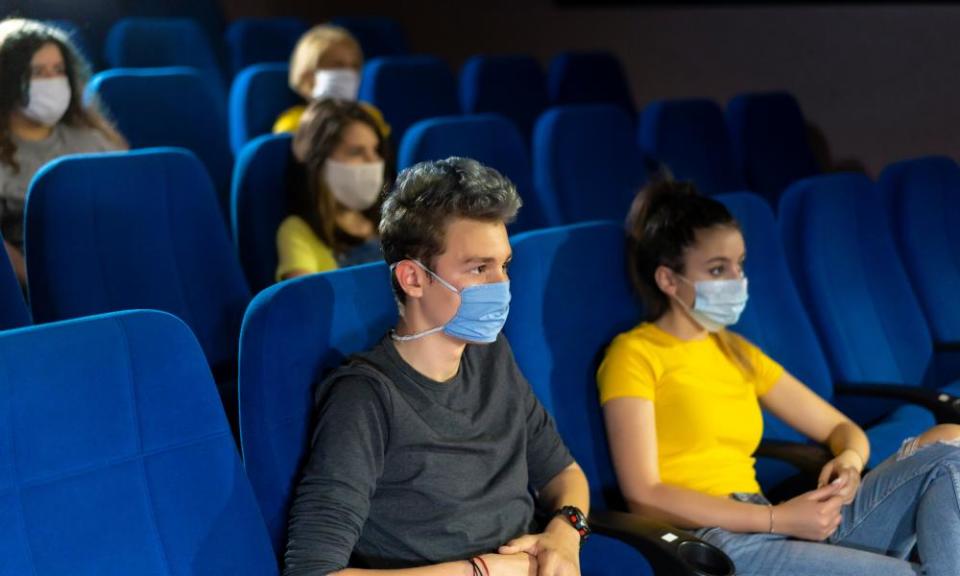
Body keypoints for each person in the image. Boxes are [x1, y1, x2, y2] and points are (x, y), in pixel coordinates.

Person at [598, 179, 960, 576]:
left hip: (775, 521)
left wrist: (850, 464)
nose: (737, 280)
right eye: (718, 269)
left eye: (739, 265)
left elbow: (841, 427)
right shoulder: (633, 355)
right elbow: (644, 495)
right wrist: (778, 520)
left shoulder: (734, 350)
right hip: (717, 538)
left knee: (947, 449)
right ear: (668, 280)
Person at [283, 157, 590, 576]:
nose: (501, 286)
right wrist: (481, 571)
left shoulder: (492, 354)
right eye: (479, 268)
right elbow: (312, 571)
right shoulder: (365, 396)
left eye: (504, 265)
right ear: (413, 279)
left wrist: (566, 532)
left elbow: (564, 473)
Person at [0, 18, 126, 284]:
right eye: (37, 73)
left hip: (113, 267)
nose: (52, 81)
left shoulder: (95, 138)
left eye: (58, 70)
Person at [276, 99, 392, 281]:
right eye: (356, 152)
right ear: (319, 164)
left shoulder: (390, 221)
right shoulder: (298, 231)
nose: (374, 161)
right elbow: (305, 303)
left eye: (375, 150)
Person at [273, 24, 389, 139]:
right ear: (308, 74)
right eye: (337, 66)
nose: (349, 73)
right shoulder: (293, 124)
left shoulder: (372, 117)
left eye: (355, 66)